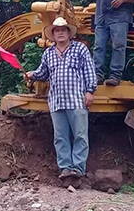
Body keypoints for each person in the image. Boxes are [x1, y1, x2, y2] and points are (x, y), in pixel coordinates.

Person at [25, 17, 97, 181]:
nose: (60, 33)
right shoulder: (48, 53)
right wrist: (32, 75)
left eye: (63, 30)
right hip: (56, 102)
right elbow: (43, 72)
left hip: (77, 100)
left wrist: (90, 91)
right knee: (60, 137)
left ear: (69, 33)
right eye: (57, 31)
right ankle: (65, 168)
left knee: (80, 135)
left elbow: (90, 71)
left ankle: (78, 169)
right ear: (53, 34)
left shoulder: (80, 49)